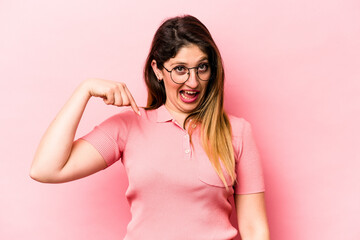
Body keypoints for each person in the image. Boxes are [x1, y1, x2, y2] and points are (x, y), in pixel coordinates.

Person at [30, 15, 270, 240]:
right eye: (180, 69)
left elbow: (254, 228)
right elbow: (45, 169)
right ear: (157, 70)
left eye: (202, 67)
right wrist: (84, 90)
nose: (193, 81)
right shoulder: (129, 126)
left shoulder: (237, 132)